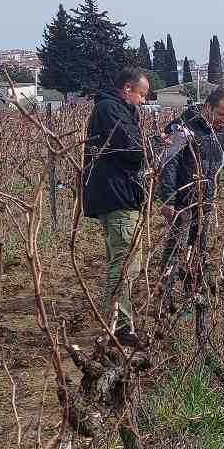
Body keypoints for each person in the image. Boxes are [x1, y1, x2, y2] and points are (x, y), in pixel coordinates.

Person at [156, 87, 224, 311]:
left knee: (198, 246)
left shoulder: (222, 134)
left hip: (205, 201)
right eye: (220, 114)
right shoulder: (184, 128)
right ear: (207, 108)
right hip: (183, 201)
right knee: (176, 247)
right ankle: (164, 295)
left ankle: (192, 291)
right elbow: (169, 163)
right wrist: (168, 199)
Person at [81, 66, 152, 345]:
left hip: (122, 195)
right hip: (117, 197)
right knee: (124, 266)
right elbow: (133, 149)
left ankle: (119, 324)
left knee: (127, 265)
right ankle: (117, 328)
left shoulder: (118, 110)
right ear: (127, 89)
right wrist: (154, 149)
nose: (143, 102)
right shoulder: (109, 110)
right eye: (141, 95)